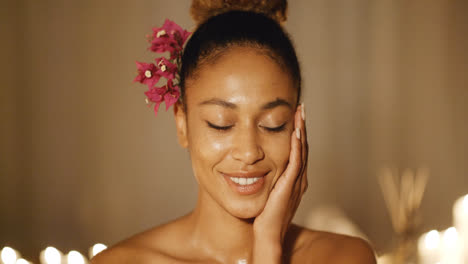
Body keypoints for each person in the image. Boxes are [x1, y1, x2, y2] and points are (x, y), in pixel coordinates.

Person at [92, 1, 377, 263]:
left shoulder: (343, 257)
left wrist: (268, 245)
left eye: (273, 124)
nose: (249, 152)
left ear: (297, 125)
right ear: (182, 124)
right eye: (221, 124)